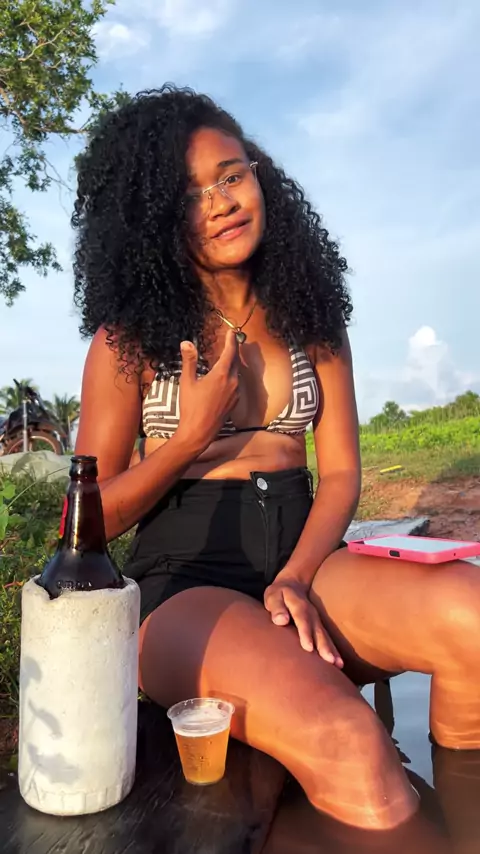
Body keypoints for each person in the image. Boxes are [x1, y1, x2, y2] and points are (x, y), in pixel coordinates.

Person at [74, 84, 480, 831]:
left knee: (473, 617)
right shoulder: (126, 341)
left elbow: (343, 473)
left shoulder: (310, 312)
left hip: (307, 564)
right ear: (153, 219)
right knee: (349, 738)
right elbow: (87, 521)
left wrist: (296, 575)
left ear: (259, 175)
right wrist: (188, 439)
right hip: (185, 584)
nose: (221, 202)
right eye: (190, 195)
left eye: (231, 175)